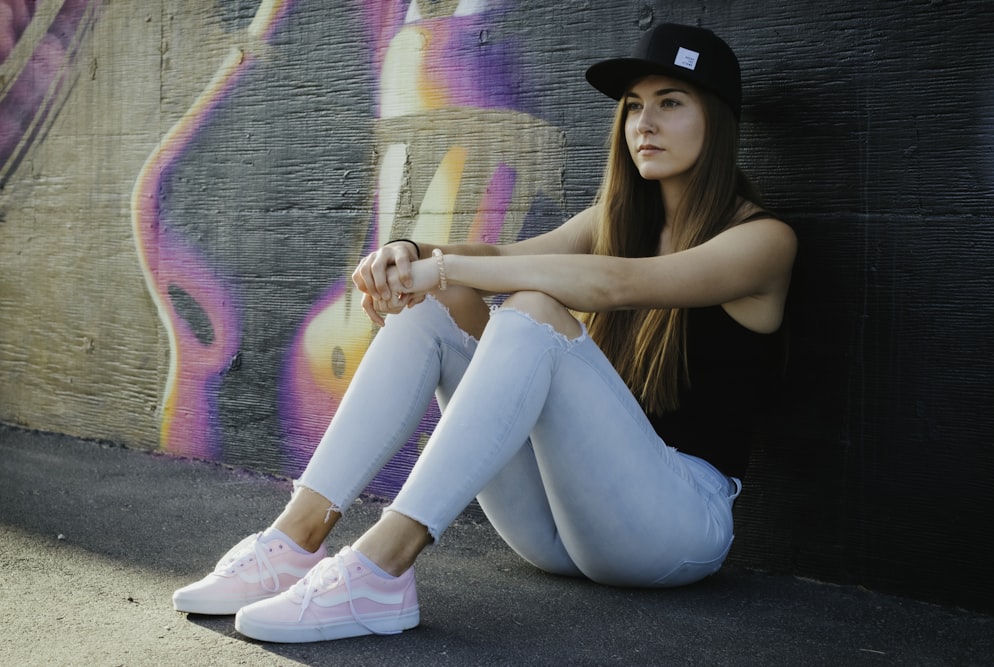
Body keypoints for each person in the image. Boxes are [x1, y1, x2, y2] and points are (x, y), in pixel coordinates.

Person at [172, 22, 797, 644]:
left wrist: (442, 266)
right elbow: (504, 251)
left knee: (531, 307)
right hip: (561, 530)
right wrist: (413, 250)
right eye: (634, 106)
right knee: (434, 304)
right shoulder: (616, 220)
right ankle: (294, 540)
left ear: (717, 121)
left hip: (676, 526)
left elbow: (614, 286)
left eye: (670, 103)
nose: (644, 123)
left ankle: (379, 569)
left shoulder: (763, 241)